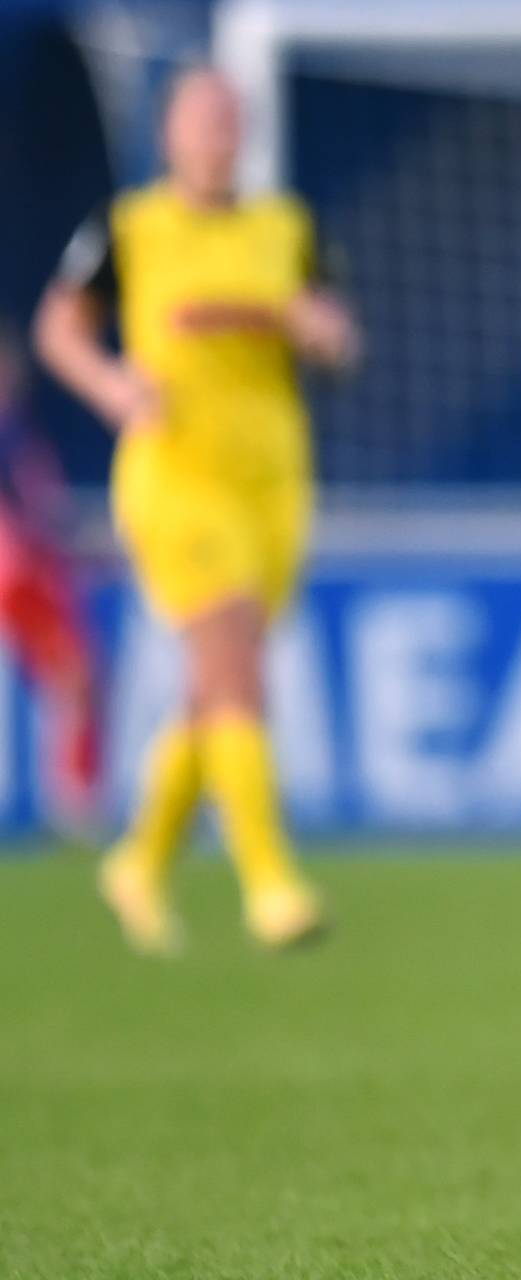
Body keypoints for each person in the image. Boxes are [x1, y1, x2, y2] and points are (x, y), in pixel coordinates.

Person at [33, 65, 353, 955]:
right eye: (199, 119)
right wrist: (108, 384)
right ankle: (270, 884)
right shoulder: (128, 228)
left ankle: (137, 861)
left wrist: (326, 336)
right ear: (169, 133)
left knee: (214, 687)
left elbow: (336, 333)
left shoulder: (285, 227)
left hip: (274, 483)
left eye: (228, 120)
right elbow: (58, 327)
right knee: (232, 659)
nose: (215, 134)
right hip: (176, 478)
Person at [0, 338, 101, 840]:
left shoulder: (19, 433)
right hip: (18, 572)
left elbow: (44, 510)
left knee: (72, 682)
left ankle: (73, 800)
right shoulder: (9, 436)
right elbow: (30, 515)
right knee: (74, 679)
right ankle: (74, 804)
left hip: (27, 570)